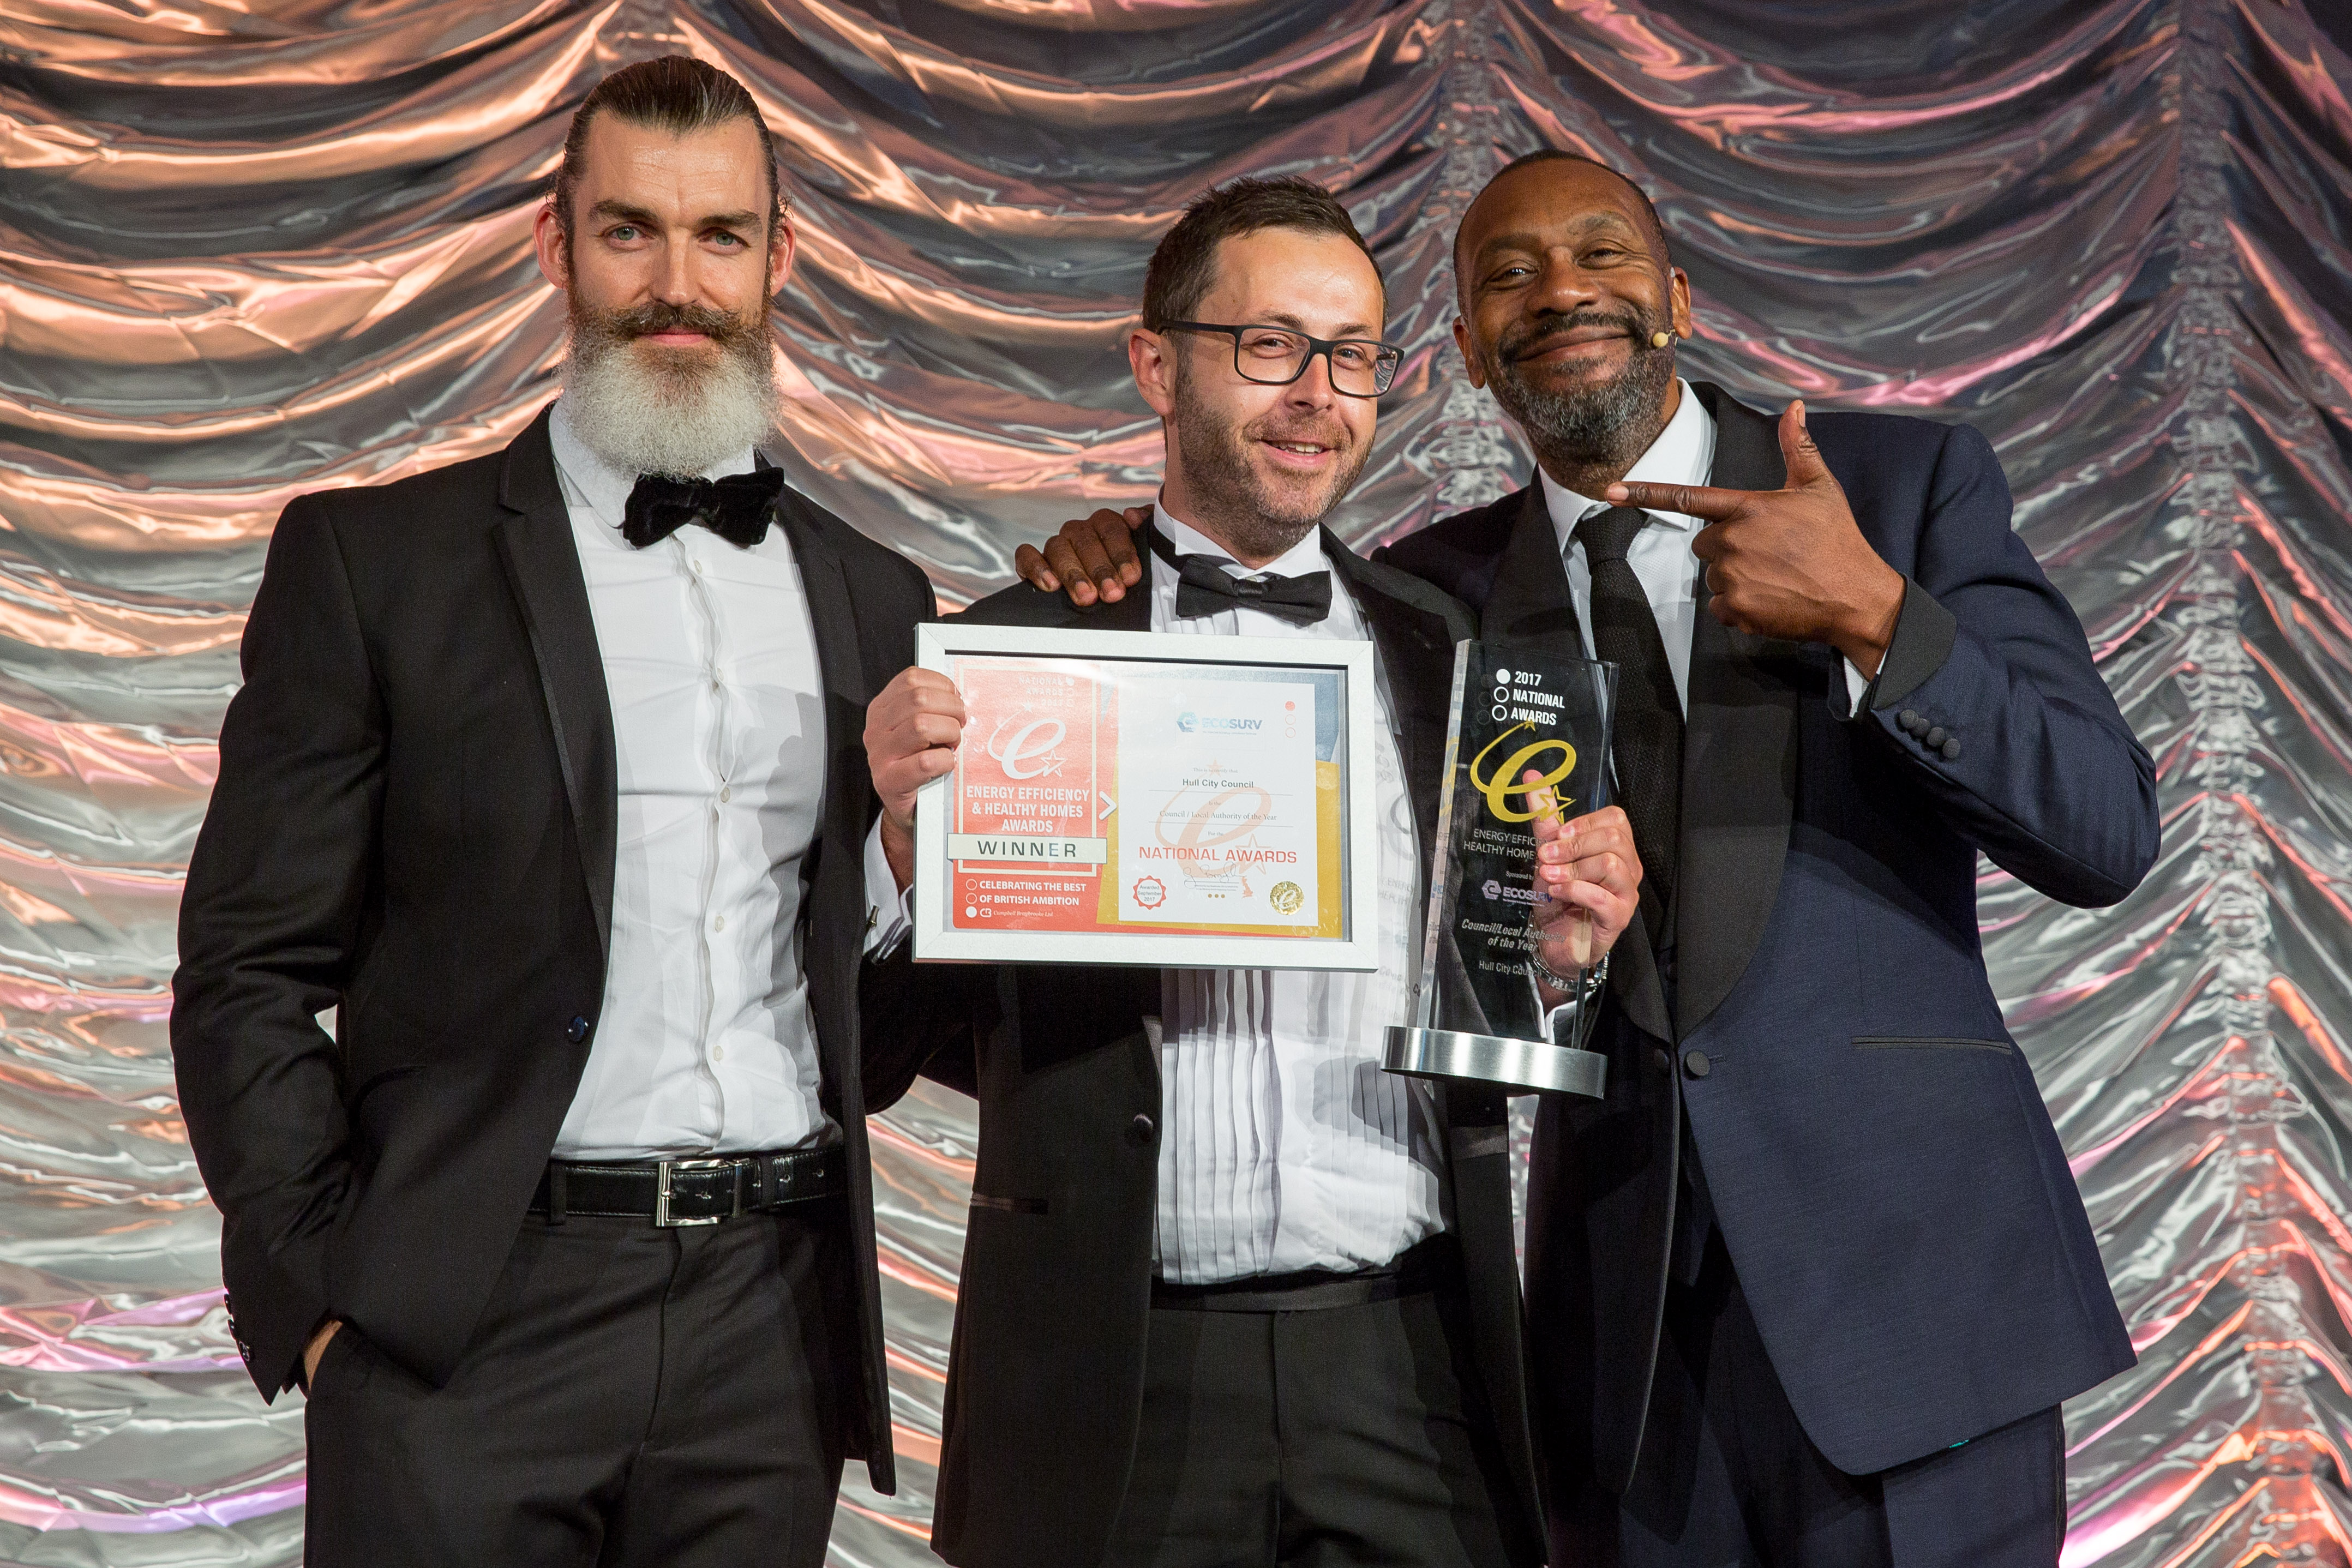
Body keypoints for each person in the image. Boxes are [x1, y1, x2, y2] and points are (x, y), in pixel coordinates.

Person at [1020, 150, 2158, 1567]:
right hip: (1625, 1370)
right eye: (1509, 274)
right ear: (1467, 354)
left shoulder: (1897, 486)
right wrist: (1108, 564)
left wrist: (1876, 613)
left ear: (1677, 296)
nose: (1560, 290)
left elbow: (2101, 829)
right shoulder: (1431, 593)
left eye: (1600, 253)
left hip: (1914, 1311)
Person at [170, 56, 935, 1566]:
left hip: (769, 1329)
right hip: (464, 1327)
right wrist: (328, 1294)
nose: (677, 284)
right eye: (629, 230)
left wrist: (908, 874)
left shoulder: (878, 594)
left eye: (721, 235)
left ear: (779, 257)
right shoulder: (375, 562)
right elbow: (244, 968)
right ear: (555, 243)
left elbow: (889, 1047)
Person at [859, 176, 1646, 1568]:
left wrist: (1554, 966)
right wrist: (902, 860)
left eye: (1350, 355)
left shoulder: (1450, 648)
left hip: (1414, 1374)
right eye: (1269, 345)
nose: (1315, 395)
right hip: (1109, 1381)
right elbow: (875, 1054)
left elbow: (1502, 1030)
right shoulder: (1014, 653)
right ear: (1155, 365)